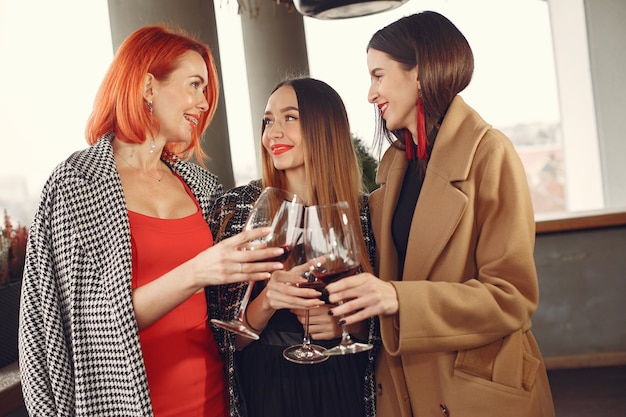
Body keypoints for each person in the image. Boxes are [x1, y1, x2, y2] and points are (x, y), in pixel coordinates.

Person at [18, 25, 285, 417]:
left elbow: (222, 315)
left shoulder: (202, 186)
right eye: (194, 84)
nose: (204, 102)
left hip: (215, 399)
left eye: (206, 90)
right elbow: (86, 326)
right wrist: (197, 271)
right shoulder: (77, 184)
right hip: (124, 405)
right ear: (147, 87)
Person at [324, 11, 556, 417]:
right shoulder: (396, 164)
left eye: (378, 76)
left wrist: (397, 297)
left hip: (474, 388)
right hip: (407, 385)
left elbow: (511, 297)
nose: (370, 93)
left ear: (419, 74)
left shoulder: (490, 153)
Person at [209, 77, 379, 417]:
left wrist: (348, 326)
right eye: (268, 121)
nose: (273, 133)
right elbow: (225, 340)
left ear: (325, 128)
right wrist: (268, 301)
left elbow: (389, 318)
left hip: (343, 384)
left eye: (290, 117)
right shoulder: (236, 207)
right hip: (267, 387)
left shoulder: (367, 213)